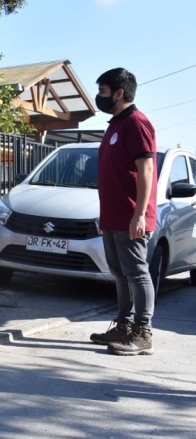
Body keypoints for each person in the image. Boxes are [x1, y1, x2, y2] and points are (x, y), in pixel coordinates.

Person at [89, 68, 157, 355]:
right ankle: (124, 325)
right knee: (120, 273)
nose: (98, 97)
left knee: (137, 273)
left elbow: (147, 169)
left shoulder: (137, 123)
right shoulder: (115, 125)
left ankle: (143, 333)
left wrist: (139, 214)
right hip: (113, 216)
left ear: (119, 93)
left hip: (132, 216)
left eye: (103, 91)